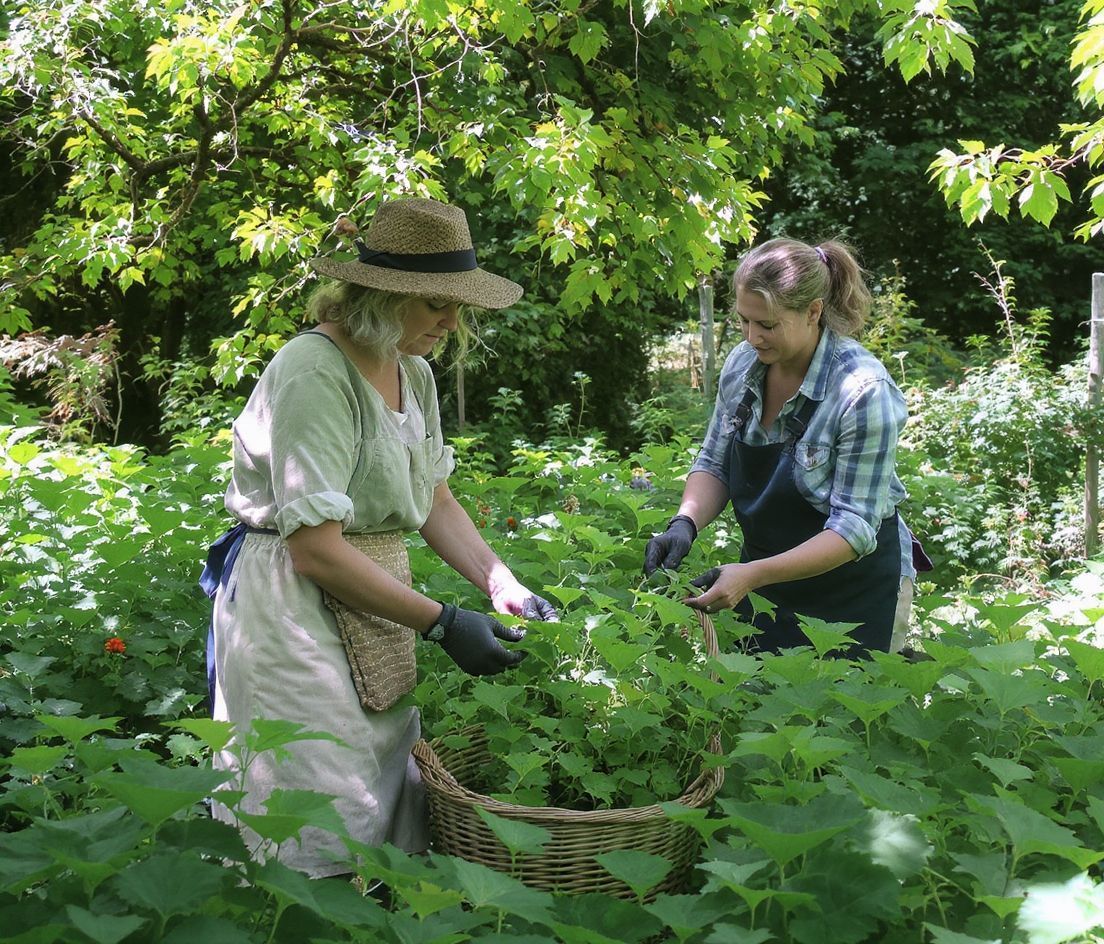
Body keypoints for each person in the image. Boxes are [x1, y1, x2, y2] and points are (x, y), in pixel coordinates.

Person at [200, 197, 557, 878]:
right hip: (291, 611)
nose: (452, 322)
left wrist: (499, 581)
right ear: (380, 295)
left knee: (379, 799)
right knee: (311, 810)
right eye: (434, 304)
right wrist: (445, 623)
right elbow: (315, 549)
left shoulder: (412, 373)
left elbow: (433, 500)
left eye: (459, 306)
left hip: (377, 605)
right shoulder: (314, 373)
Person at [644, 237, 929, 654]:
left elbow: (854, 528)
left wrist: (753, 575)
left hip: (853, 590)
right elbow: (715, 461)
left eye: (768, 325)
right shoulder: (743, 365)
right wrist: (684, 524)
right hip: (762, 581)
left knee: (850, 711)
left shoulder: (862, 391)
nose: (752, 337)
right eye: (744, 321)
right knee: (758, 707)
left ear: (813, 312)